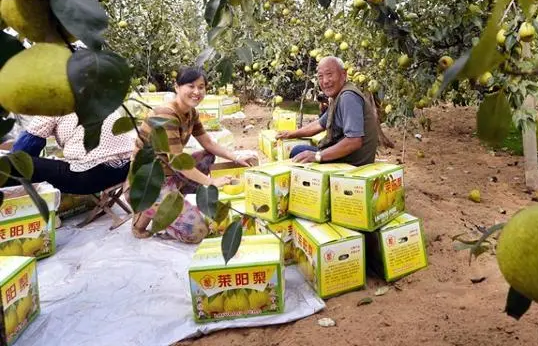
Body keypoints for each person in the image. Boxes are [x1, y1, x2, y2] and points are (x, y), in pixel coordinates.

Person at [130, 67, 257, 243]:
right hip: (146, 184)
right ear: (177, 87)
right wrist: (211, 182)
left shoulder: (191, 113)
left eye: (201, 86)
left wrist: (236, 157)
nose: (197, 92)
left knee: (207, 156)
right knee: (198, 232)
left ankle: (167, 200)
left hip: (169, 172)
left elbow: (209, 144)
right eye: (191, 86)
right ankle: (148, 211)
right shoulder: (166, 114)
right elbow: (178, 162)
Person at [276, 56, 378, 166]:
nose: (325, 81)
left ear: (343, 75)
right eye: (320, 76)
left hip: (352, 163)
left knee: (298, 152)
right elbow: (319, 124)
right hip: (346, 158)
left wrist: (318, 156)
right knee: (300, 151)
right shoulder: (338, 97)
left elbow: (354, 141)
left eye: (329, 74)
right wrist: (291, 134)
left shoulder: (348, 97)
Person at [4, 111, 134, 195]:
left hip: (92, 177)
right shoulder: (100, 98)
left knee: (12, 163)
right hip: (124, 170)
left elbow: (25, 148)